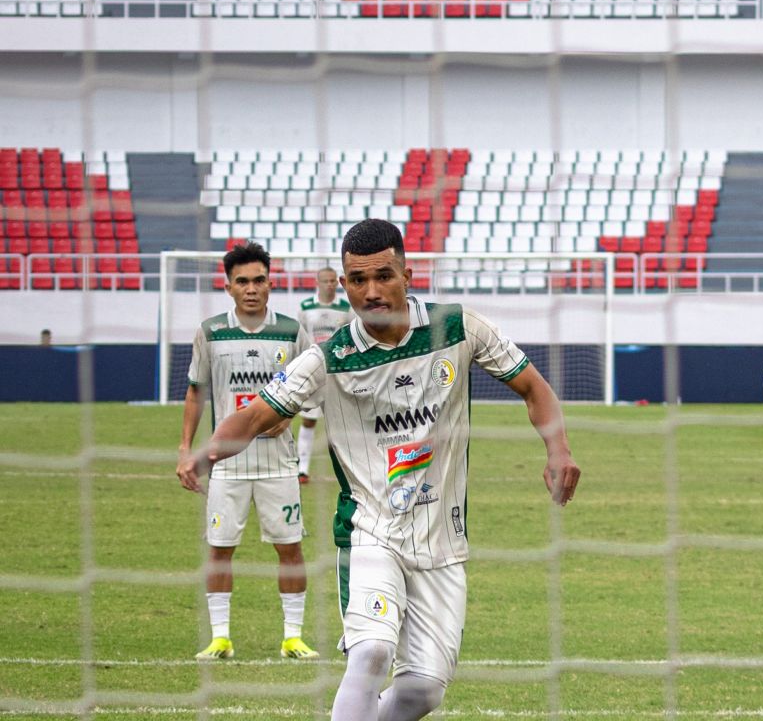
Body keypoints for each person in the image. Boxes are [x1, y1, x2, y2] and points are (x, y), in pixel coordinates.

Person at [178, 219, 580, 721]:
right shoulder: (327, 357)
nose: (372, 291)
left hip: (442, 542)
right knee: (370, 651)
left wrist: (558, 450)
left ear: (407, 274)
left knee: (423, 692)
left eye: (383, 276)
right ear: (343, 284)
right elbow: (257, 414)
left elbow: (533, 387)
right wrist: (207, 452)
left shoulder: (459, 328)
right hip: (370, 531)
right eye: (358, 280)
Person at [176, 241, 319, 661]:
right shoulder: (211, 332)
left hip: (279, 465)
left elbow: (311, 387)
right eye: (242, 281)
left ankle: (293, 637)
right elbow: (195, 392)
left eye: (259, 280)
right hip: (227, 467)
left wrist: (288, 417)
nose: (251, 288)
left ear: (271, 284)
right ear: (228, 286)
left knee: (289, 547)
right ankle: (220, 637)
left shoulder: (292, 331)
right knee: (220, 548)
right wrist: (186, 449)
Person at [296, 266, 353, 483]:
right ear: (317, 282)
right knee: (308, 420)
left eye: (333, 281)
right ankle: (302, 469)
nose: (330, 284)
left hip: (338, 373)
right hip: (313, 371)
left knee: (340, 424)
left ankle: (346, 469)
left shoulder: (346, 308)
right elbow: (301, 338)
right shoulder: (305, 308)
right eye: (325, 281)